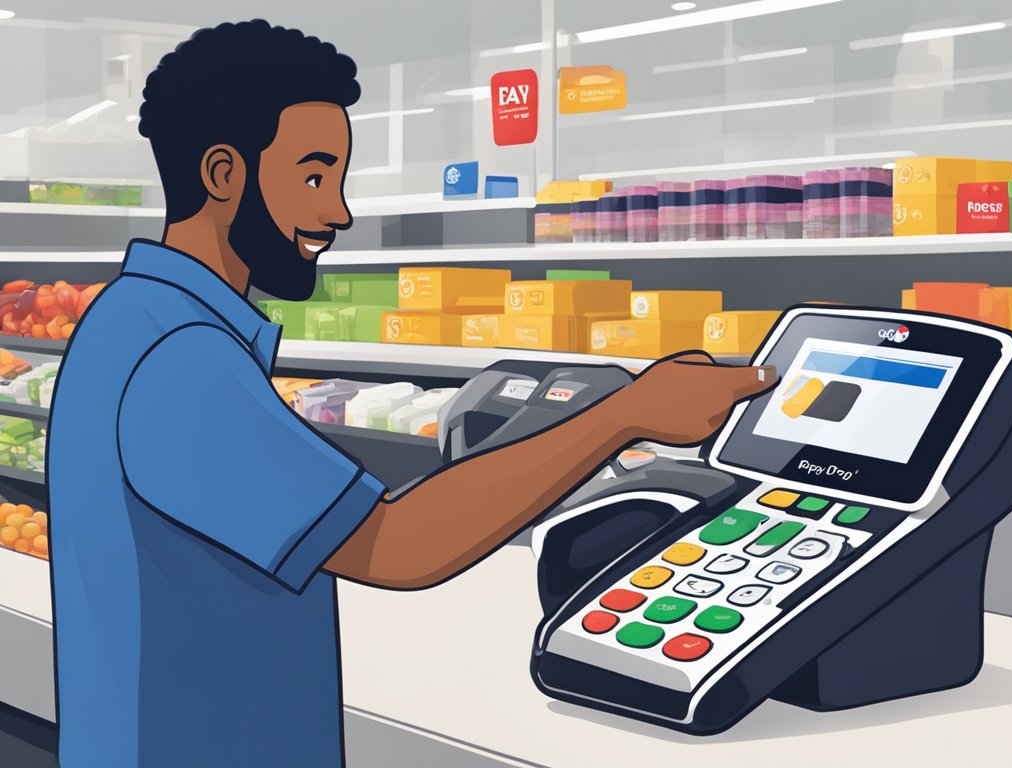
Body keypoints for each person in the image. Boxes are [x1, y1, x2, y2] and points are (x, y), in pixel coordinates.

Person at [46, 19, 775, 768]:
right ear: (223, 174)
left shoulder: (129, 317)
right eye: (312, 176)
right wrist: (627, 413)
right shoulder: (180, 359)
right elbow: (395, 544)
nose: (337, 212)